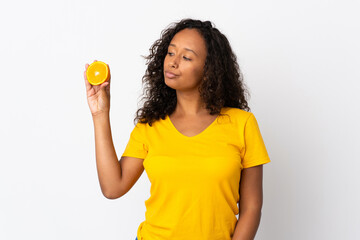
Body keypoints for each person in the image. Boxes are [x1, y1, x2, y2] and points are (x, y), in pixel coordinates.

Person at [84, 18, 271, 240]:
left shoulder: (242, 123)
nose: (173, 62)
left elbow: (252, 208)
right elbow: (113, 188)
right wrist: (100, 114)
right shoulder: (150, 125)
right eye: (171, 53)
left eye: (186, 57)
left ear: (210, 69)